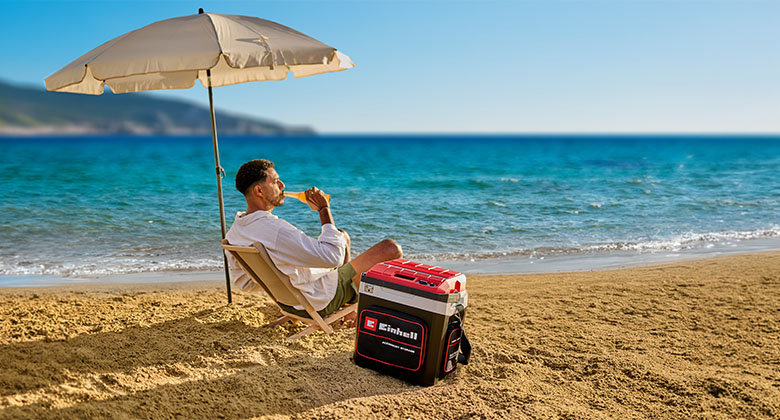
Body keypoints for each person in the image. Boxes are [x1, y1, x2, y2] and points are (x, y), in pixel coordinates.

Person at [225, 159, 403, 318]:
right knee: (390, 248)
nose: (283, 185)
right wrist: (323, 210)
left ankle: (349, 310)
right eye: (275, 181)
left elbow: (244, 283)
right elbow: (332, 256)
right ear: (259, 190)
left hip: (288, 302)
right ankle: (349, 307)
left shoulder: (236, 230)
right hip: (317, 300)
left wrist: (286, 271)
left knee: (341, 235)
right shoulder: (275, 230)